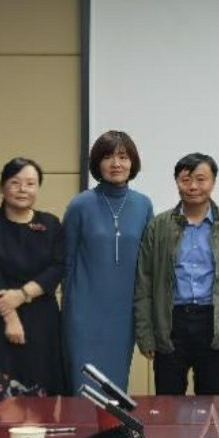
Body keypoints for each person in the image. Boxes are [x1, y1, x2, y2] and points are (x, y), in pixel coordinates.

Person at [135, 153, 219, 395]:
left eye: (201, 179)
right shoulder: (158, 226)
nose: (193, 187)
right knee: (167, 403)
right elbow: (144, 283)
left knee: (211, 405)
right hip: (171, 323)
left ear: (213, 182)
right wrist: (145, 334)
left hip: (214, 323)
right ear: (177, 182)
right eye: (185, 180)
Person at [0, 158, 67, 408]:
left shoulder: (50, 224)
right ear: (2, 187)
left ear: (38, 188)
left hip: (41, 320)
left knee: (41, 406)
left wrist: (22, 294)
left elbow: (59, 267)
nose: (22, 189)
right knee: (1, 407)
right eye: (15, 183)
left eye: (30, 183)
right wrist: (10, 317)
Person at [63, 130, 153, 393]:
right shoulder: (80, 204)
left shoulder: (143, 205)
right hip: (83, 311)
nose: (116, 164)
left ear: (132, 162)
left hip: (124, 312)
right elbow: (65, 261)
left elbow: (148, 263)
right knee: (83, 385)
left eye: (123, 157)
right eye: (108, 157)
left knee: (115, 387)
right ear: (97, 162)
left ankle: (111, 423)